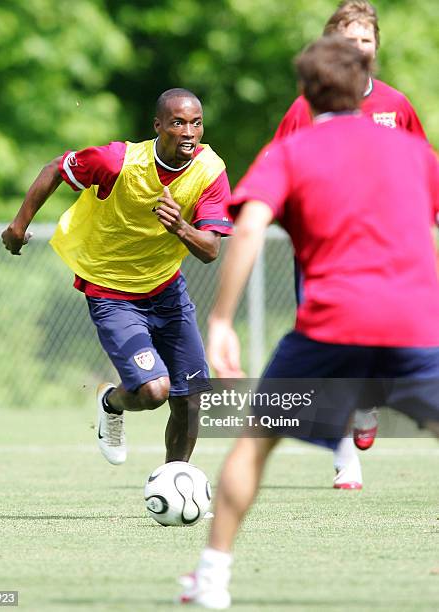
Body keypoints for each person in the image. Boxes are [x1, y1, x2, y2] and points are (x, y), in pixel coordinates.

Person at [178, 36, 439, 609]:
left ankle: (211, 580)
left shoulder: (293, 150)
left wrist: (221, 318)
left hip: (331, 326)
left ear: (306, 92)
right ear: (364, 82)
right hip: (414, 324)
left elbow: (247, 227)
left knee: (250, 444)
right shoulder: (415, 151)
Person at [2, 88, 233, 466]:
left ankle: (175, 481)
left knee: (191, 398)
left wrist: (181, 228)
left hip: (166, 289)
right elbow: (57, 168)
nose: (189, 132)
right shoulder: (117, 161)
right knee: (154, 392)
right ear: (158, 126)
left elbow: (210, 250)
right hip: (112, 292)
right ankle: (111, 402)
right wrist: (17, 226)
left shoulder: (210, 171)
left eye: (196, 123)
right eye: (178, 123)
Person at [273, 0, 429, 490]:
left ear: (376, 47)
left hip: (384, 256)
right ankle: (345, 459)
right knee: (333, 356)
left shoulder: (395, 106)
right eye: (347, 39)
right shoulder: (304, 109)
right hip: (324, 258)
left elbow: (421, 172)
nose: (357, 48)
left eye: (365, 39)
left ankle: (367, 405)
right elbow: (281, 169)